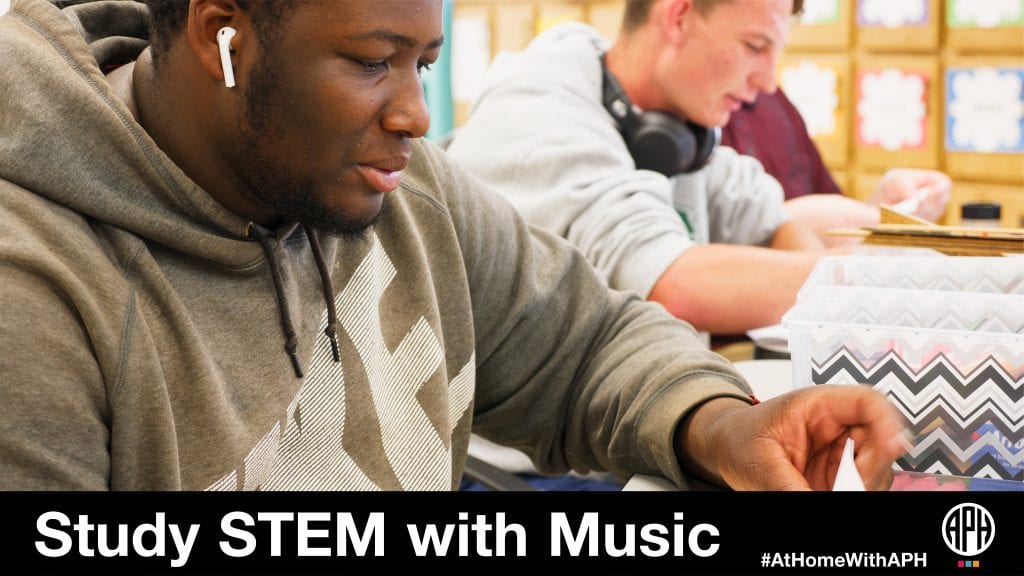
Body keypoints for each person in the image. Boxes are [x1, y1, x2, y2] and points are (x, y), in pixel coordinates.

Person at [0, 0, 904, 492]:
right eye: (370, 60)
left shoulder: (405, 187)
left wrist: (720, 423)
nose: (413, 115)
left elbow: (586, 343)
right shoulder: (34, 288)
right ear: (222, 36)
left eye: (423, 63)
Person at [446, 0, 949, 336]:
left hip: (630, 437)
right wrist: (885, 277)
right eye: (755, 46)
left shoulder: (669, 126)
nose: (768, 81)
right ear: (680, 16)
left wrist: (887, 219)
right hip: (550, 470)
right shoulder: (540, 109)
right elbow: (676, 285)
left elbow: (777, 215)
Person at [720, 88, 951, 228]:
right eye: (754, 45)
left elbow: (830, 215)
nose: (767, 78)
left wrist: (878, 210)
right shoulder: (691, 129)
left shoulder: (775, 102)